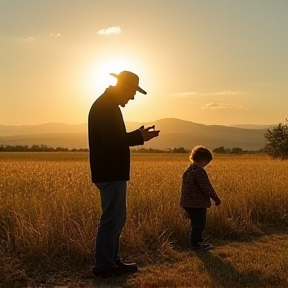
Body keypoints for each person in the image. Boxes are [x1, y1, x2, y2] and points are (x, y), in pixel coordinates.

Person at [88, 70, 160, 278]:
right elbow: (110, 140)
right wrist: (139, 136)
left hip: (110, 171)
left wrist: (138, 135)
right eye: (132, 92)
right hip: (110, 172)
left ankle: (111, 261)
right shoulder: (105, 106)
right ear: (124, 87)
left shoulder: (107, 105)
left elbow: (112, 137)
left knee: (116, 219)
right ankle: (104, 265)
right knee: (112, 219)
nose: (133, 96)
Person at [180, 145, 221, 251]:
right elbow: (206, 187)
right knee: (199, 224)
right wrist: (216, 198)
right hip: (197, 203)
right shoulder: (199, 171)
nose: (207, 165)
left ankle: (199, 242)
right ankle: (195, 244)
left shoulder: (188, 170)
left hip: (187, 203)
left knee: (195, 223)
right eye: (207, 162)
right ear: (203, 160)